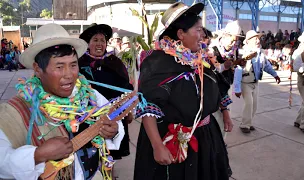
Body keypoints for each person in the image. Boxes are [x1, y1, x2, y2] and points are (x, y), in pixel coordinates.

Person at [0, 23, 124, 180]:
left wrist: (113, 131)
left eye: (73, 65)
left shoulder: (89, 94)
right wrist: (37, 155)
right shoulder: (15, 111)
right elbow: (2, 162)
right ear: (38, 69)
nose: (69, 75)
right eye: (59, 67)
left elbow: (113, 122)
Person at [134, 2, 232, 180]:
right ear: (181, 34)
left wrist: (225, 112)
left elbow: (216, 86)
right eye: (198, 30)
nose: (203, 35)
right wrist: (157, 146)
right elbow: (148, 106)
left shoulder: (200, 59)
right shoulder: (158, 62)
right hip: (172, 140)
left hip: (206, 135)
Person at [78, 24, 133, 160]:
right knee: (89, 153)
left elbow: (126, 89)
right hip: (86, 116)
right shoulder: (79, 63)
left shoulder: (114, 62)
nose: (99, 44)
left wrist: (129, 111)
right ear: (88, 44)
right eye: (95, 40)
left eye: (102, 40)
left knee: (110, 151)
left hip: (112, 116)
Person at [233, 30, 281, 133]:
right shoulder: (242, 53)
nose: (258, 40)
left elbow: (267, 66)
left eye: (258, 38)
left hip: (255, 83)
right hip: (245, 83)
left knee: (255, 105)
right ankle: (244, 125)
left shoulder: (261, 53)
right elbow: (238, 71)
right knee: (249, 104)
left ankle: (249, 123)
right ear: (248, 41)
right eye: (255, 38)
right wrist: (237, 88)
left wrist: (275, 75)